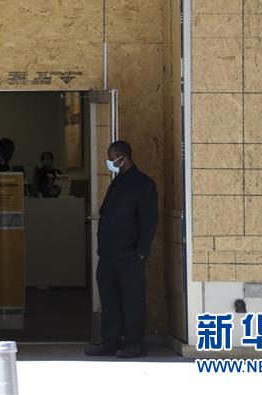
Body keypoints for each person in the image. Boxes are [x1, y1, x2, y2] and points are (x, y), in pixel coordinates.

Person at [85, 141, 159, 359]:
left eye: (112, 158)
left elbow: (149, 219)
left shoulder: (143, 184)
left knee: (132, 301)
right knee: (110, 301)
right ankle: (110, 340)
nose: (110, 162)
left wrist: (141, 252)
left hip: (129, 255)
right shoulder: (117, 182)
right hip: (109, 255)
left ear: (122, 157)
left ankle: (134, 343)